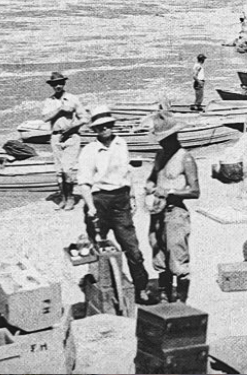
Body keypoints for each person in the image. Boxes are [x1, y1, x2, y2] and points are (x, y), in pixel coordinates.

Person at [77, 106, 153, 304]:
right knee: (97, 247)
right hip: (99, 201)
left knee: (132, 248)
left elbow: (127, 173)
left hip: (121, 200)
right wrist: (91, 207)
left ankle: (141, 288)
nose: (104, 129)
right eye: (100, 127)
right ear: (95, 130)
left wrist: (133, 196)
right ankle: (99, 287)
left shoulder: (122, 144)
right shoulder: (89, 151)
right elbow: (84, 182)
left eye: (107, 125)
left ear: (112, 125)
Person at [145, 111, 200, 303]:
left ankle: (181, 303)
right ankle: (164, 297)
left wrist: (169, 193)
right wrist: (150, 187)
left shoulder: (185, 158)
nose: (161, 143)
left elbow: (195, 191)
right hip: (157, 213)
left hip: (175, 213)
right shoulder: (160, 155)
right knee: (159, 258)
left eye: (165, 139)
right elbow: (152, 179)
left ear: (174, 136)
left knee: (178, 260)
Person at [41, 71, 89, 210]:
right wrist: (60, 110)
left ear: (64, 83)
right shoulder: (49, 101)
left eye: (60, 83)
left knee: (67, 169)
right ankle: (63, 198)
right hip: (56, 137)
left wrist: (73, 128)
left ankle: (71, 198)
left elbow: (85, 118)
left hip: (71, 137)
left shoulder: (73, 99)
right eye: (55, 83)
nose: (58, 86)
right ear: (51, 85)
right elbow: (45, 118)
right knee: (59, 171)